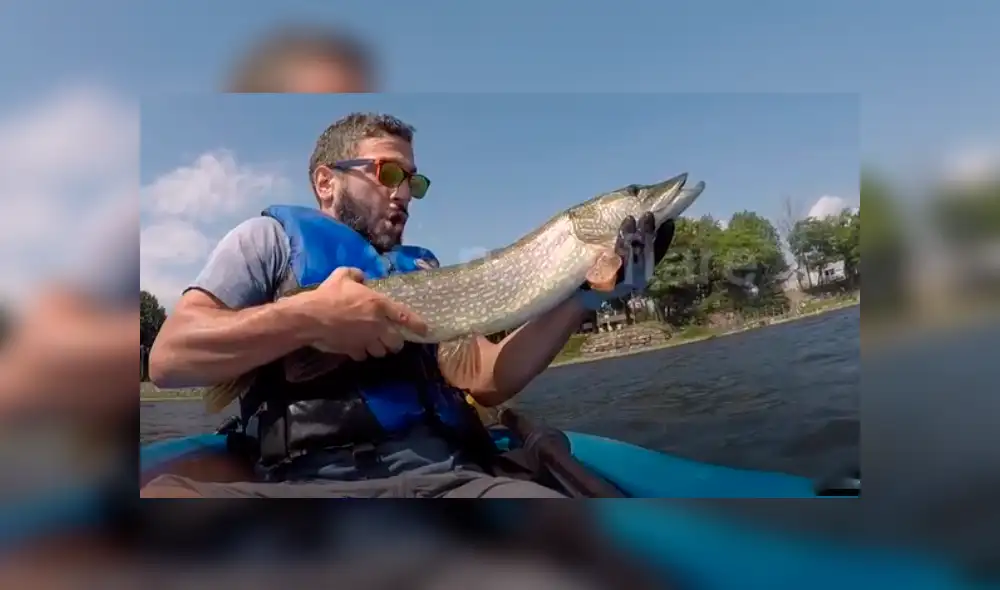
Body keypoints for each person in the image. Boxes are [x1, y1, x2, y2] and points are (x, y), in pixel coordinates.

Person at [141, 112, 675, 498]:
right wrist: (308, 317)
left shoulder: (424, 269)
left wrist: (584, 297)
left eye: (413, 181)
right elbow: (168, 360)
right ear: (326, 182)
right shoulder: (267, 241)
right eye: (388, 174)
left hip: (448, 478)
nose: (404, 194)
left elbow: (484, 381)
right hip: (310, 486)